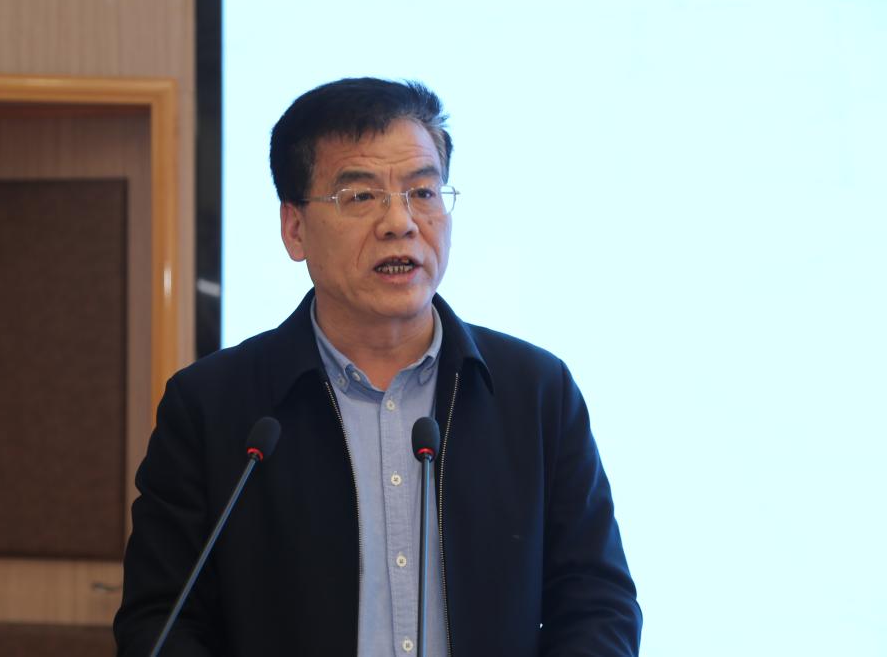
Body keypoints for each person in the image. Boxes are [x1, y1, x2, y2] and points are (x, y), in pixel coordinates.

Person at [114, 78, 642, 656]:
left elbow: (598, 605)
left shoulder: (535, 393)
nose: (400, 222)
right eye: (361, 196)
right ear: (294, 228)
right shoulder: (212, 407)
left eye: (423, 192)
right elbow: (160, 622)